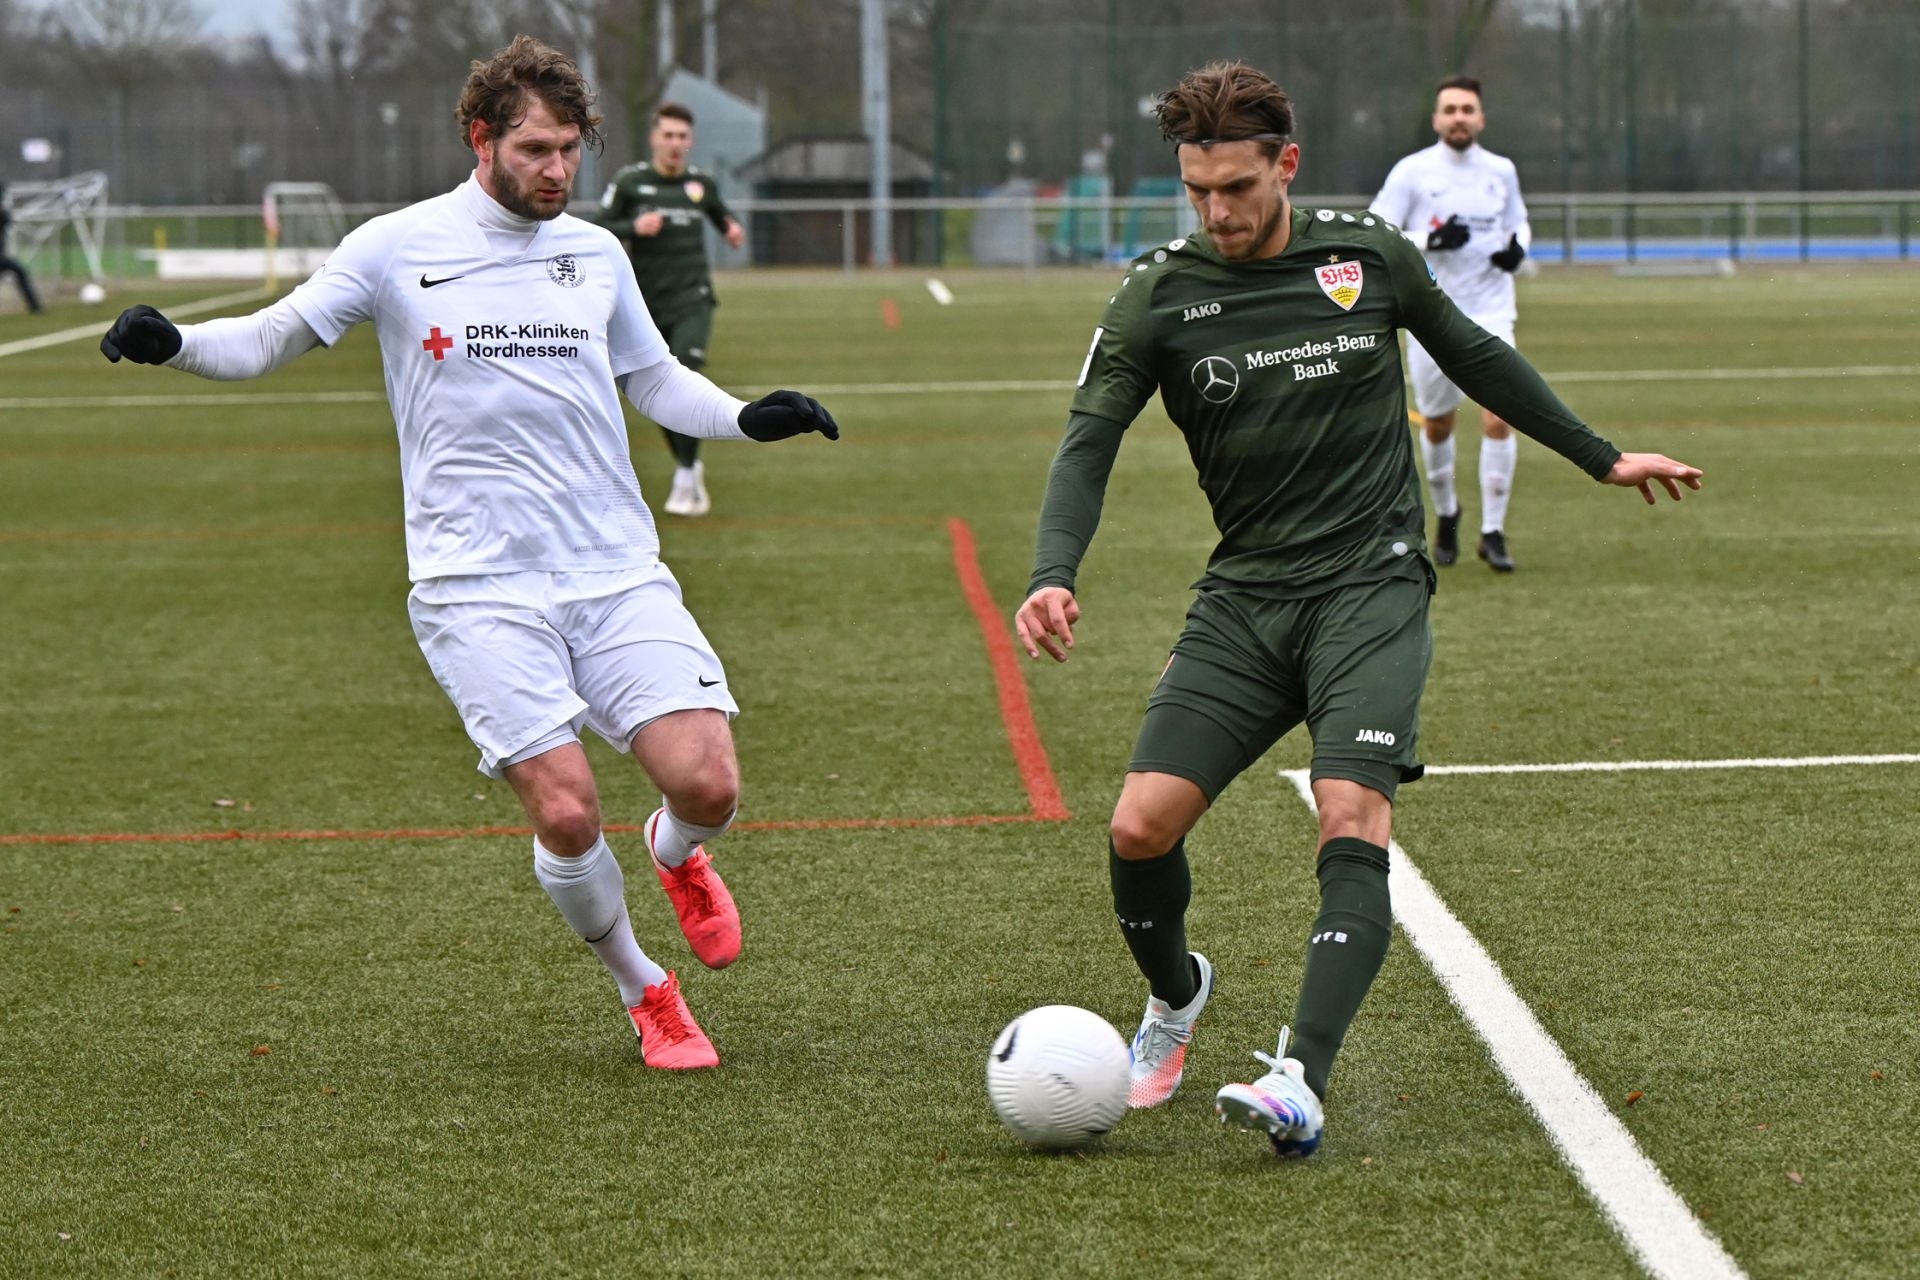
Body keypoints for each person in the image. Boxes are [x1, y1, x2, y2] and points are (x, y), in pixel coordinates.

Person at [97, 36, 839, 1070]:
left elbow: (654, 376)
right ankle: (646, 989)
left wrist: (747, 417)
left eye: (572, 150)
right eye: (537, 149)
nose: (558, 171)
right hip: (473, 584)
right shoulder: (396, 246)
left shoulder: (595, 252)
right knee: (570, 806)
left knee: (708, 781)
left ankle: (678, 853)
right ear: (481, 137)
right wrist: (173, 343)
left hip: (614, 569)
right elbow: (274, 335)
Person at [1013, 60, 1700, 1158]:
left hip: (1370, 585)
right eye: (1198, 191)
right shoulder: (1159, 291)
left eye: (1236, 186)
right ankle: (1178, 994)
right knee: (1138, 828)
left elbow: (1473, 352)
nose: (1218, 212)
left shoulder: (1366, 255)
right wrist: (1054, 569)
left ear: (1286, 165)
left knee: (1350, 810)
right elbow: (1086, 439)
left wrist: (1601, 455)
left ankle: (1303, 1075)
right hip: (1244, 597)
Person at [1370, 75, 1531, 572]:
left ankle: (1494, 531)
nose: (1459, 117)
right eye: (1450, 109)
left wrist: (1516, 249)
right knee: (1438, 423)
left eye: (1467, 109)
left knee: (1500, 415)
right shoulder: (1412, 171)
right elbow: (1377, 228)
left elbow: (1520, 222)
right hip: (1432, 313)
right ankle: (1448, 513)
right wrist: (1429, 240)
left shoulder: (1501, 171)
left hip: (1490, 310)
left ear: (1481, 118)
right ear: (1437, 118)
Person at [598, 103, 747, 518]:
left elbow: (721, 216)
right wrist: (633, 229)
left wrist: (732, 229)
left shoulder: (701, 184)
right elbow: (601, 227)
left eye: (683, 136)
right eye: (669, 135)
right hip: (644, 303)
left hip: (694, 297)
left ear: (691, 141)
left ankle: (685, 471)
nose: (676, 143)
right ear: (654, 138)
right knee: (662, 387)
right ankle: (688, 465)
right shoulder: (632, 183)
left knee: (689, 370)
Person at [0, 180, 46, 314]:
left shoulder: (3, 216)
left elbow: (7, 221)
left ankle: (35, 307)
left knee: (20, 271)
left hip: (1, 258)